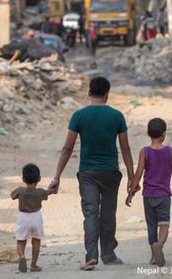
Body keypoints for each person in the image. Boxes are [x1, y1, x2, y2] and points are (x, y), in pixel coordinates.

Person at [49, 77, 135, 271]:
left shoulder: (79, 116)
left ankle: (91, 256)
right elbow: (126, 148)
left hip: (88, 173)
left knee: (90, 214)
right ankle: (108, 254)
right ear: (107, 95)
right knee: (108, 214)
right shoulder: (117, 116)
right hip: (111, 172)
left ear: (89, 93)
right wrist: (131, 176)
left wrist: (57, 177)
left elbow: (67, 149)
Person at [126, 118, 172, 267]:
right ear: (164, 134)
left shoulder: (145, 152)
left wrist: (131, 193)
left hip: (148, 195)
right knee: (164, 224)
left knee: (151, 225)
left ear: (148, 133)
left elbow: (139, 173)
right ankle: (159, 247)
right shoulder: (170, 151)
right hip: (164, 195)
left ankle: (154, 253)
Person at [11, 163, 54, 273]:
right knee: (36, 242)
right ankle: (33, 265)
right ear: (39, 178)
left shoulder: (20, 190)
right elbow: (48, 192)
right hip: (36, 218)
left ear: (23, 179)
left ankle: (21, 256)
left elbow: (12, 195)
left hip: (23, 218)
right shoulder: (40, 192)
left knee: (21, 241)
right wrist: (52, 187)